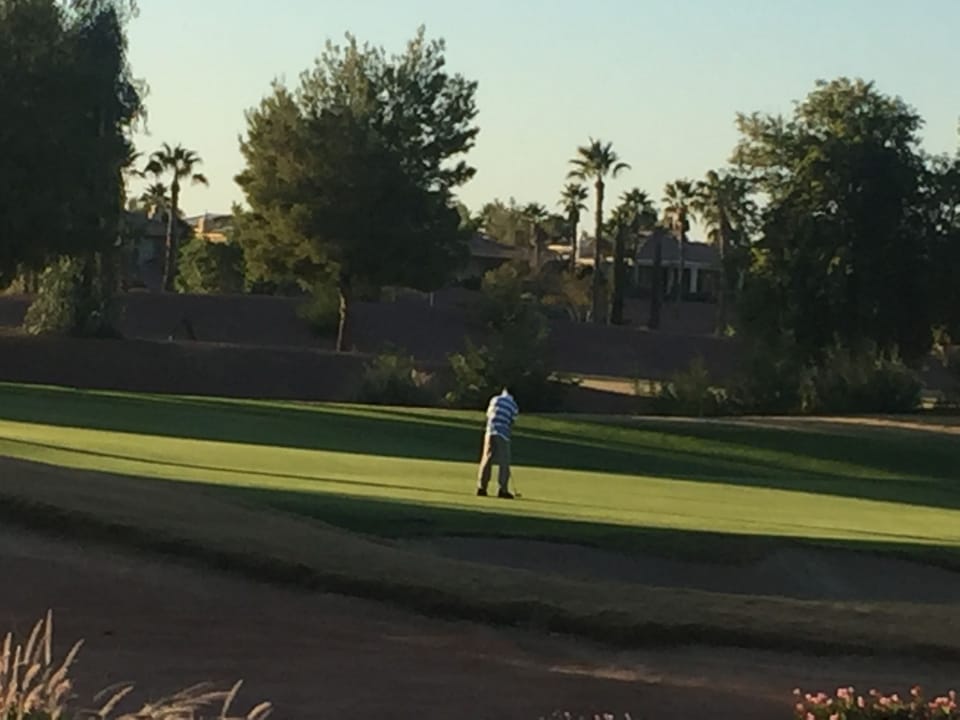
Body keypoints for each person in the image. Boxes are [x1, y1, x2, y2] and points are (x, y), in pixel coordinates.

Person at [476, 387, 519, 499]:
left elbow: (488, 415)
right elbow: (511, 422)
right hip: (502, 433)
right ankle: (503, 490)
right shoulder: (513, 405)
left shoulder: (494, 399)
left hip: (489, 431)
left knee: (486, 458)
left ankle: (482, 487)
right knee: (504, 461)